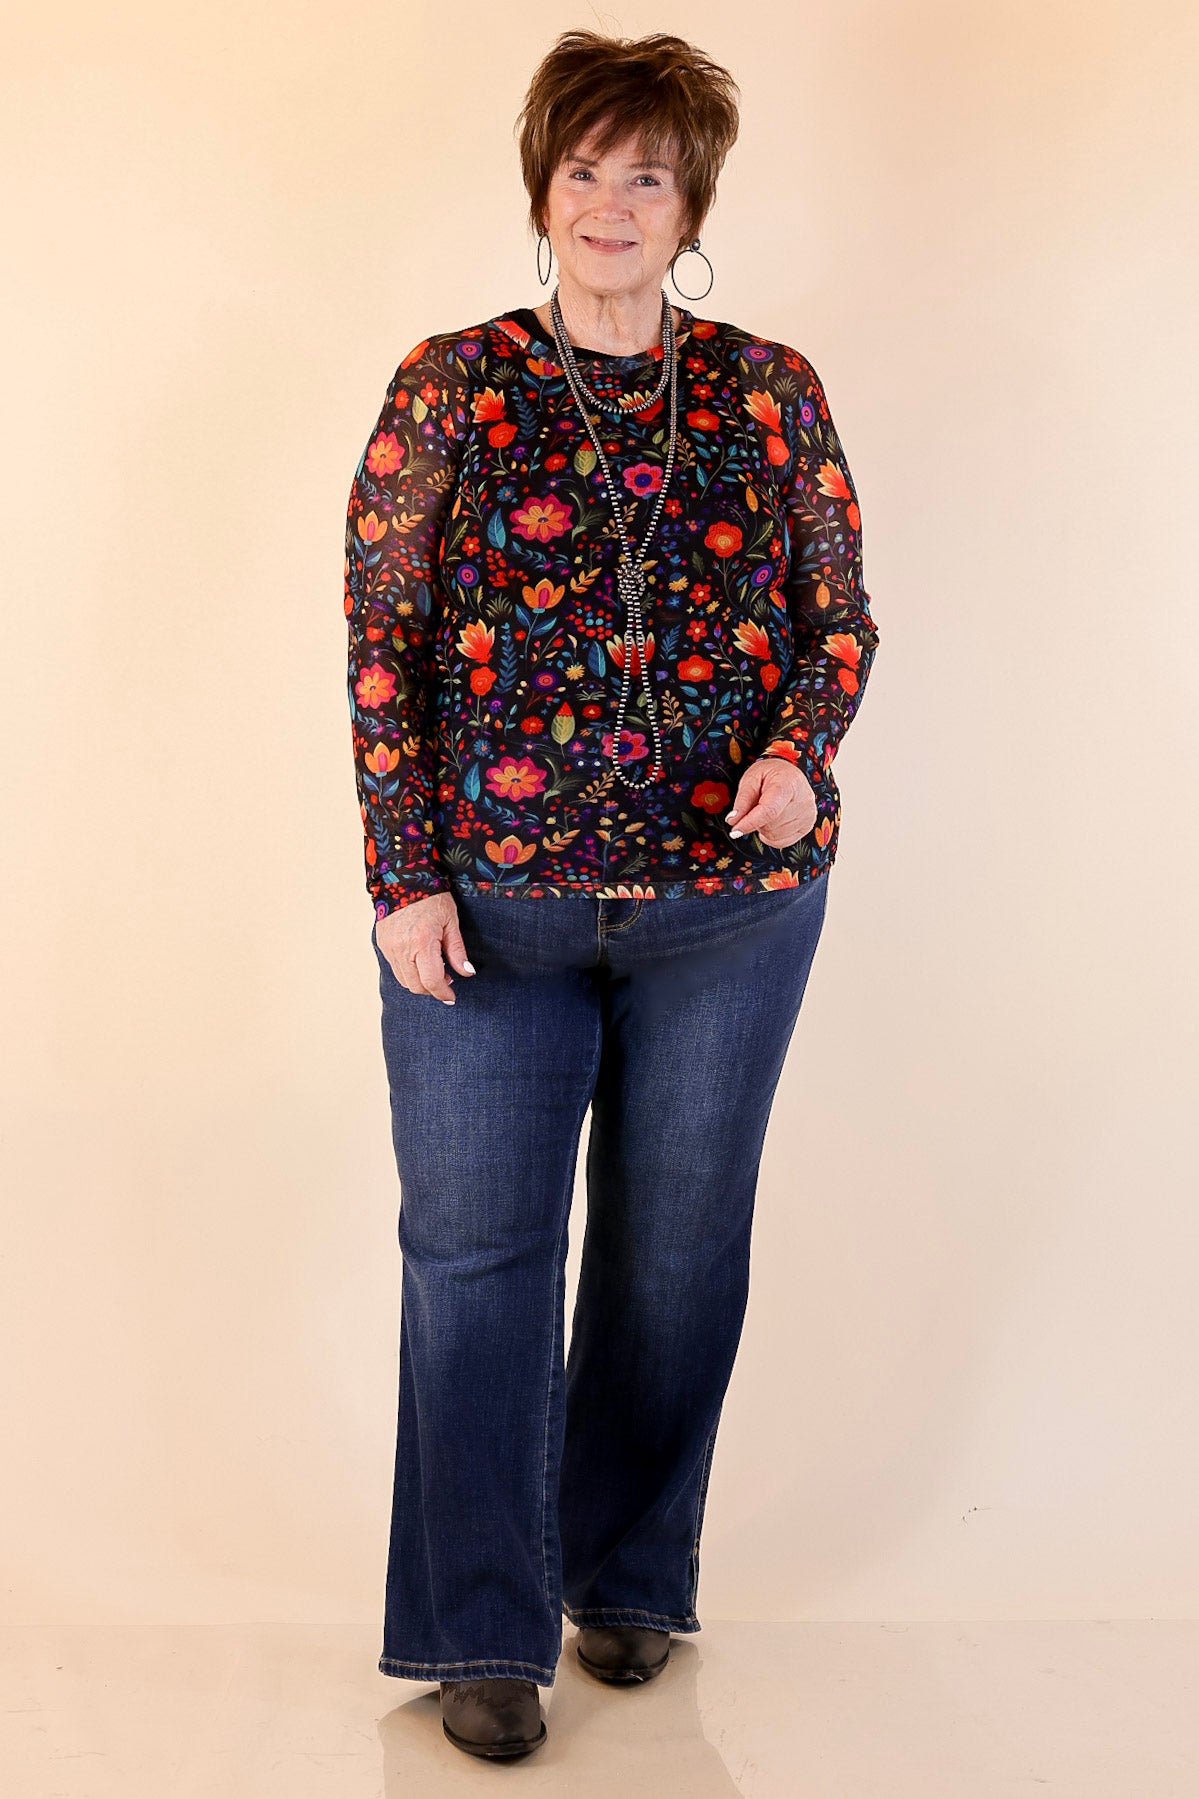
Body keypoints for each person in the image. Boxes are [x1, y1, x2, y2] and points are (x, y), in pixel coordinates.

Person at [343, 27, 880, 1761]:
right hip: (490, 915)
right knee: (476, 1255)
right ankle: (482, 1629)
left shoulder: (769, 390)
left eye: (647, 174)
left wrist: (798, 752)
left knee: (675, 1255)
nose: (611, 202)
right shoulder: (452, 384)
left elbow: (841, 618)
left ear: (690, 206)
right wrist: (402, 873)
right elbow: (384, 640)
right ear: (542, 191)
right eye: (584, 168)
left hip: (728, 916)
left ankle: (631, 1577)